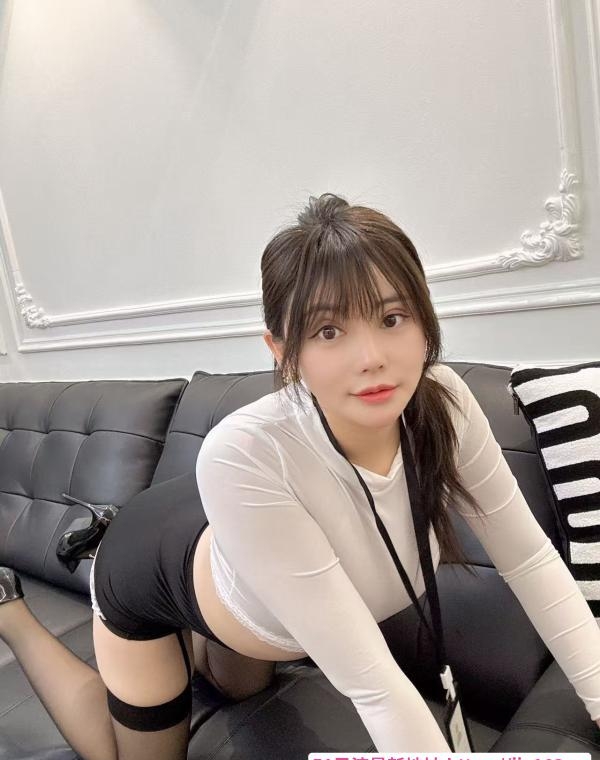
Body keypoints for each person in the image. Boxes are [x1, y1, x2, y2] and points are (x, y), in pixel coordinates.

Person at [1, 192, 600, 758]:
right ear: (282, 349)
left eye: (392, 317)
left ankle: (200, 631)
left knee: (240, 687)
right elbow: (374, 684)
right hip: (147, 563)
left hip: (238, 546)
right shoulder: (244, 450)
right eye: (328, 331)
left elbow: (530, 561)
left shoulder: (443, 403)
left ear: (424, 318)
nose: (372, 358)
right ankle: (13, 616)